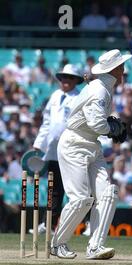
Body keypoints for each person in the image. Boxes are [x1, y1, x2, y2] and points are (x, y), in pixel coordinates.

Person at [50, 49, 131, 260]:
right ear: (113, 69)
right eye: (121, 66)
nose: (124, 70)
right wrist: (112, 128)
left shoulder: (102, 87)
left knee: (108, 193)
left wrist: (110, 125)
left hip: (91, 144)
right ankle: (57, 244)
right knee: (81, 199)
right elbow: (96, 122)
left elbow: (95, 121)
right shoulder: (100, 90)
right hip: (74, 144)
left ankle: (95, 247)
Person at [32, 64, 84, 234]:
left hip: (70, 150)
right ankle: (48, 225)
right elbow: (47, 123)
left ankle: (86, 225)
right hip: (53, 151)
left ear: (76, 80)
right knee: (54, 190)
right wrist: (39, 144)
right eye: (63, 77)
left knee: (76, 190)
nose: (65, 81)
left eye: (69, 78)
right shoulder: (55, 96)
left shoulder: (79, 97)